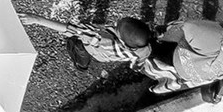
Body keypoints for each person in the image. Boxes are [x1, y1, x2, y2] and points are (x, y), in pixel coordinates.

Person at [18, 12, 153, 71]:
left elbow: (70, 29)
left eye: (116, 27)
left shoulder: (100, 37)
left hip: (95, 48)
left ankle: (81, 61)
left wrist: (36, 19)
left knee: (78, 42)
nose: (115, 24)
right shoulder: (144, 50)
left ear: (122, 41)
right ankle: (82, 65)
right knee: (94, 54)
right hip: (107, 57)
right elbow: (137, 65)